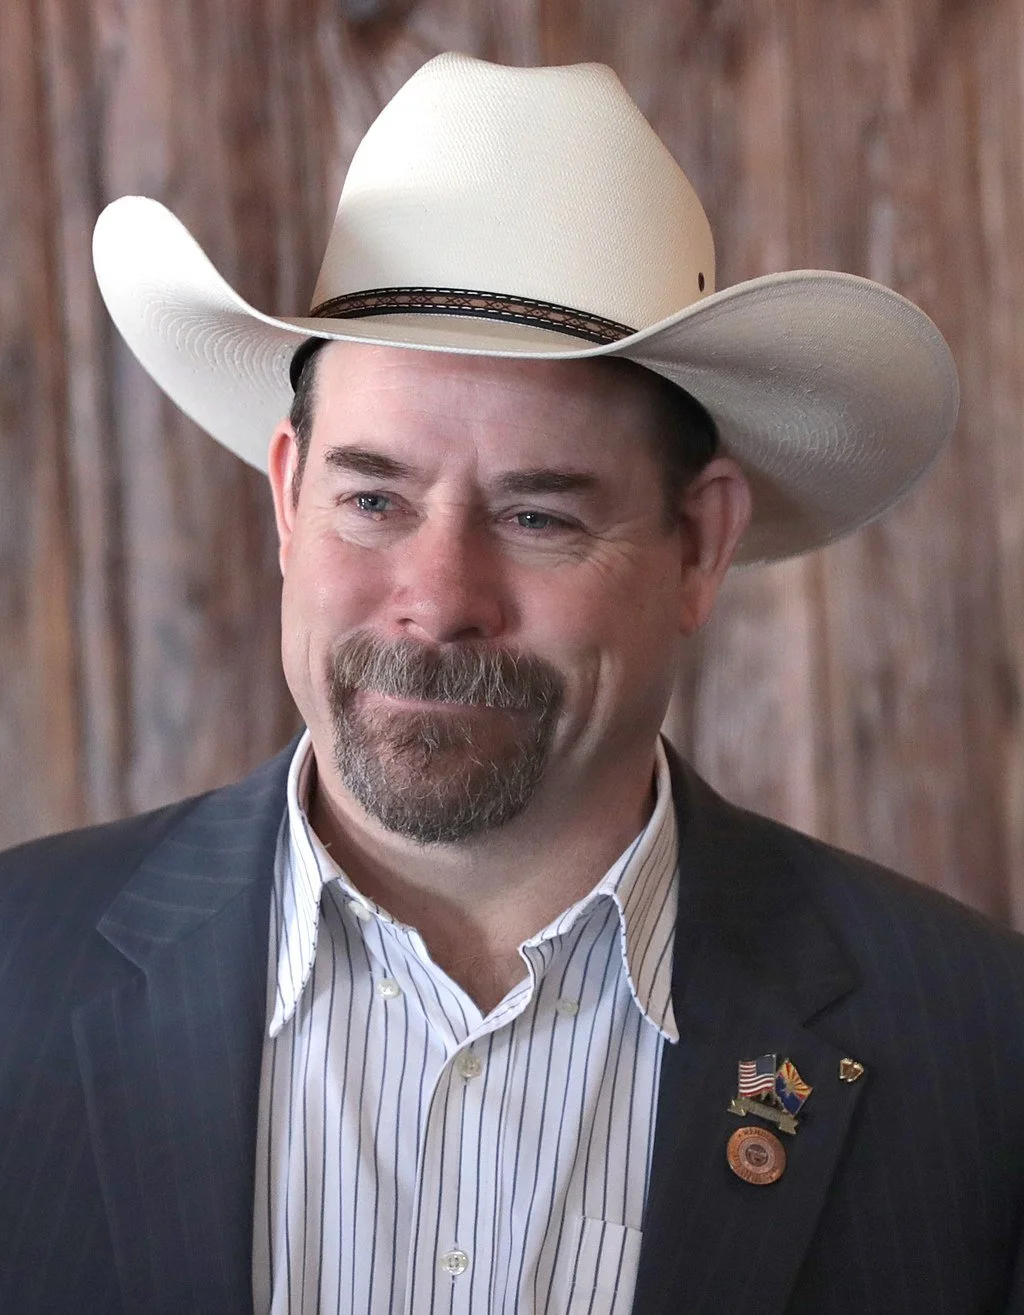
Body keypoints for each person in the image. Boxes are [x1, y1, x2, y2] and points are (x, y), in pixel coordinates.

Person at [2, 50, 1022, 1315]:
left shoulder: (982, 1052)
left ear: (696, 546)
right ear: (286, 495)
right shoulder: (13, 976)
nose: (437, 599)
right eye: (373, 499)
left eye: (537, 515)